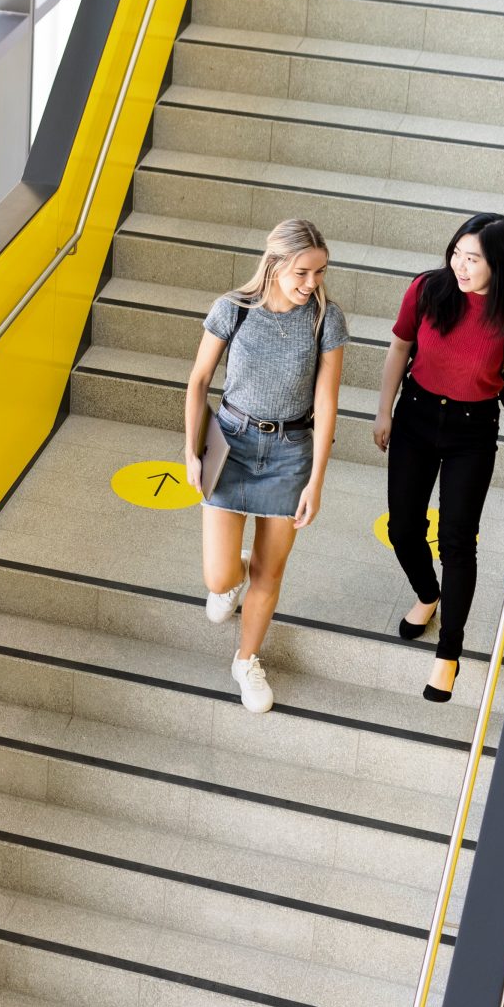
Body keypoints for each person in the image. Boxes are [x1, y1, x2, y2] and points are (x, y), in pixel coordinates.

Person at [373, 214, 504, 703]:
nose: (460, 265)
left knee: (457, 540)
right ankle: (428, 595)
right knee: (403, 529)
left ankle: (448, 654)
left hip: (472, 431)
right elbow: (399, 348)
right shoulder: (428, 289)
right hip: (415, 415)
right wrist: (383, 410)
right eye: (457, 253)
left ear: (501, 264)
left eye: (473, 259)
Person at [184, 219, 348, 713]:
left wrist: (316, 480)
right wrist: (190, 451)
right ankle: (230, 580)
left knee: (269, 573)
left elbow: (328, 403)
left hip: (290, 451)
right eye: (302, 272)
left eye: (319, 272)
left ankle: (246, 660)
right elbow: (199, 380)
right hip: (230, 444)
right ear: (275, 264)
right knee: (218, 577)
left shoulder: (326, 320)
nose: (311, 283)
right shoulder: (232, 308)